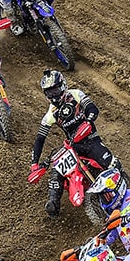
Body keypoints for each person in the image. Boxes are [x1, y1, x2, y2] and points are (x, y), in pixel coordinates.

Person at [30, 70, 116, 217]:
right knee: (57, 168)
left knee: (110, 162)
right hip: (74, 145)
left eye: (55, 90)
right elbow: (40, 139)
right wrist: (35, 163)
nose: (53, 95)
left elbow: (92, 108)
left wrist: (89, 120)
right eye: (49, 93)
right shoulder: (51, 114)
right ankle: (53, 203)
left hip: (90, 137)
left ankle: (122, 182)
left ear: (63, 86)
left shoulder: (75, 94)